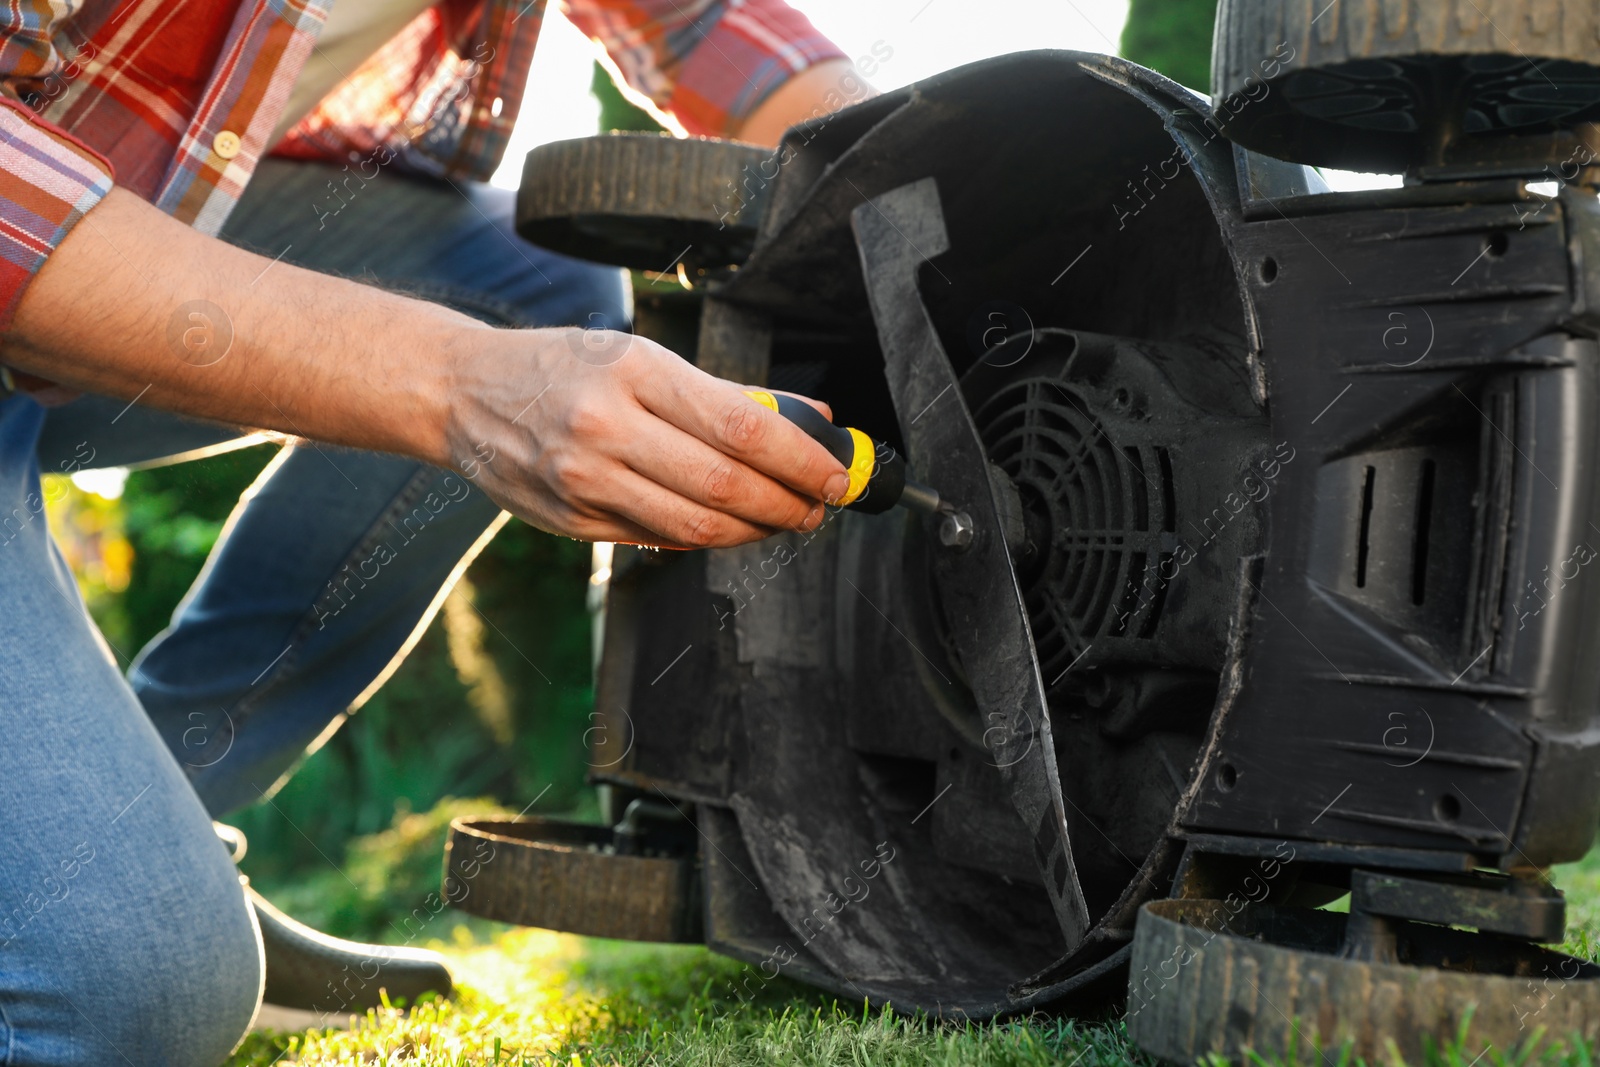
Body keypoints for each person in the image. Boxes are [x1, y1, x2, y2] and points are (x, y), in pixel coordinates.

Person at [0, 0, 868, 1061]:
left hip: (92, 271)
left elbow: (707, 32)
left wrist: (954, 216)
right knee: (126, 994)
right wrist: (455, 386)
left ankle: (156, 818)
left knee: (532, 288)